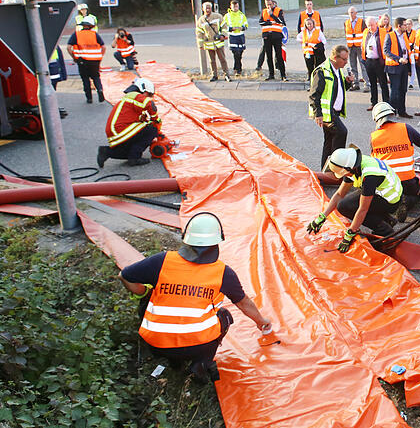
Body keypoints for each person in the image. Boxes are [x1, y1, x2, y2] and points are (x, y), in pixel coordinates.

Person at [118, 212, 272, 382]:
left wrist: (144, 293)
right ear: (218, 241)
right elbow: (244, 303)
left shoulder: (162, 261)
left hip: (156, 344)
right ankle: (201, 363)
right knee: (224, 316)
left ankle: (174, 362)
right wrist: (261, 321)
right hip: (197, 347)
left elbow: (124, 275)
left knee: (148, 298)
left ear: (186, 238)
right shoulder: (223, 273)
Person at [307, 147, 403, 250]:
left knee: (348, 207)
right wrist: (322, 217)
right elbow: (339, 194)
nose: (345, 175)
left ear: (349, 168)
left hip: (390, 200)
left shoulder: (369, 176)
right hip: (379, 193)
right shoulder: (353, 164)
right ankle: (387, 219)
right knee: (344, 205)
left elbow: (363, 209)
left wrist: (350, 233)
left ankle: (385, 230)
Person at [370, 102, 420, 220]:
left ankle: (393, 205)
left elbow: (374, 163)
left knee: (385, 198)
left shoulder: (374, 137)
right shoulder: (406, 128)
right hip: (408, 182)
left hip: (388, 184)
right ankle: (406, 201)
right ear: (392, 114)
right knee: (418, 193)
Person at [96, 77, 160, 167]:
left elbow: (141, 118)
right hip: (120, 129)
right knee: (151, 130)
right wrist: (156, 120)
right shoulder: (134, 95)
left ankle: (106, 152)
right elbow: (149, 104)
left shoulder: (131, 101)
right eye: (148, 94)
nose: (148, 97)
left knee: (129, 153)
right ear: (143, 89)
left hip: (116, 131)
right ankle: (135, 158)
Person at [309, 45, 349, 169]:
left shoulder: (337, 70)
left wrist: (347, 82)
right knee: (341, 133)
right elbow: (314, 95)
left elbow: (338, 91)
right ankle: (336, 167)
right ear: (335, 58)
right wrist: (318, 114)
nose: (346, 62)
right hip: (327, 114)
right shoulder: (321, 71)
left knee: (329, 141)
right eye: (344, 59)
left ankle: (325, 171)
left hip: (334, 112)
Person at [66, 17, 106, 103]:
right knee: (96, 77)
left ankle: (89, 98)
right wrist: (99, 57)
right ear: (91, 26)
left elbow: (68, 47)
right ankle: (99, 90)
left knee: (85, 79)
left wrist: (74, 57)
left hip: (82, 61)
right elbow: (103, 47)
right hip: (95, 60)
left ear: (83, 25)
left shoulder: (76, 34)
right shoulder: (95, 34)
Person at [383, 17, 411, 118]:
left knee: (403, 89)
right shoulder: (389, 36)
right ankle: (391, 112)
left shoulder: (404, 36)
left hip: (404, 66)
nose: (406, 26)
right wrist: (398, 59)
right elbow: (386, 51)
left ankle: (402, 111)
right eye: (404, 25)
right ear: (399, 26)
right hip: (394, 67)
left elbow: (406, 50)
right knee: (395, 91)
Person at [196, 2, 230, 82]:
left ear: (211, 8)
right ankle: (214, 75)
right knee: (212, 61)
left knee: (222, 59)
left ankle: (227, 75)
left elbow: (224, 27)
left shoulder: (218, 16)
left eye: (209, 8)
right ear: (203, 9)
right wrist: (200, 44)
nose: (208, 10)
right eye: (206, 8)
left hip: (218, 42)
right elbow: (199, 33)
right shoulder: (201, 20)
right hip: (209, 44)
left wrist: (223, 35)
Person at [362, 16, 389, 111]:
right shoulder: (366, 32)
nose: (370, 27)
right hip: (369, 61)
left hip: (379, 61)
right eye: (368, 25)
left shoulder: (383, 32)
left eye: (372, 25)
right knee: (372, 83)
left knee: (383, 83)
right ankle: (374, 103)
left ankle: (386, 103)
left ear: (376, 23)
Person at [259, 0, 287, 80]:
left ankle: (283, 75)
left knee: (279, 56)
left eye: (270, 4)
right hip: (267, 36)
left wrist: (272, 15)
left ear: (273, 4)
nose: (269, 6)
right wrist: (269, 22)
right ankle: (271, 75)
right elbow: (261, 22)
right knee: (269, 56)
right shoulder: (264, 12)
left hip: (277, 36)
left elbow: (281, 22)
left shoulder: (278, 10)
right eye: (267, 5)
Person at [344, 6, 367, 91]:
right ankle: (355, 83)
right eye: (349, 13)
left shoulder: (361, 22)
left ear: (356, 13)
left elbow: (365, 34)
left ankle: (366, 84)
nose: (351, 14)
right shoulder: (346, 22)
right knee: (353, 66)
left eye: (352, 12)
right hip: (351, 47)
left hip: (360, 46)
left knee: (363, 66)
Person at [223, 0, 248, 76]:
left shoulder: (242, 15)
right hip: (232, 36)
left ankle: (236, 67)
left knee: (240, 53)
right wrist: (230, 29)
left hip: (240, 36)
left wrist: (242, 28)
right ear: (231, 6)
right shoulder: (227, 16)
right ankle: (238, 69)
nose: (235, 8)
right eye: (234, 6)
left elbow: (246, 25)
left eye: (237, 6)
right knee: (235, 53)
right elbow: (223, 27)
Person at [297, 0, 325, 68]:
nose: (309, 6)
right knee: (308, 61)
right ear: (305, 5)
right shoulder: (302, 14)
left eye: (310, 4)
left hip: (316, 40)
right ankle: (310, 74)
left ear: (312, 5)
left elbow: (321, 26)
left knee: (318, 61)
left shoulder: (317, 14)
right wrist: (303, 40)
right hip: (307, 42)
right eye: (307, 4)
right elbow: (299, 28)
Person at [301, 16, 327, 84]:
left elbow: (324, 41)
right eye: (308, 24)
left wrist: (317, 45)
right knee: (309, 67)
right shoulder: (303, 32)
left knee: (317, 67)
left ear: (313, 24)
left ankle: (316, 79)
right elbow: (298, 38)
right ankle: (310, 79)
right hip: (307, 52)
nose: (309, 25)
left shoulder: (318, 31)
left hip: (315, 53)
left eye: (310, 23)